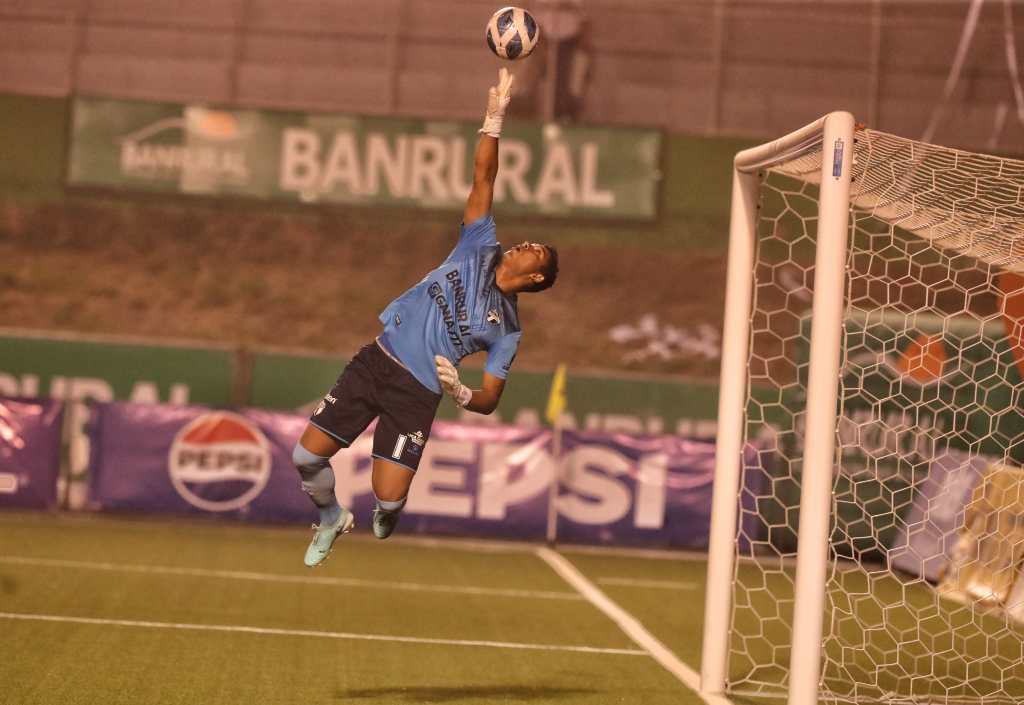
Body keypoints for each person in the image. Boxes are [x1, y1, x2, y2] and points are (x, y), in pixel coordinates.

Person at [291, 68, 560, 567]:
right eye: (528, 242)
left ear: (537, 280)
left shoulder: (509, 331)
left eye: (534, 252)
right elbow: (484, 177)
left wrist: (461, 392)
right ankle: (330, 518)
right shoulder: (479, 245)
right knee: (305, 457)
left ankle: (389, 512)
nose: (525, 244)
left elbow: (490, 400)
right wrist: (494, 120)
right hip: (376, 360)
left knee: (388, 499)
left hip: (417, 392)